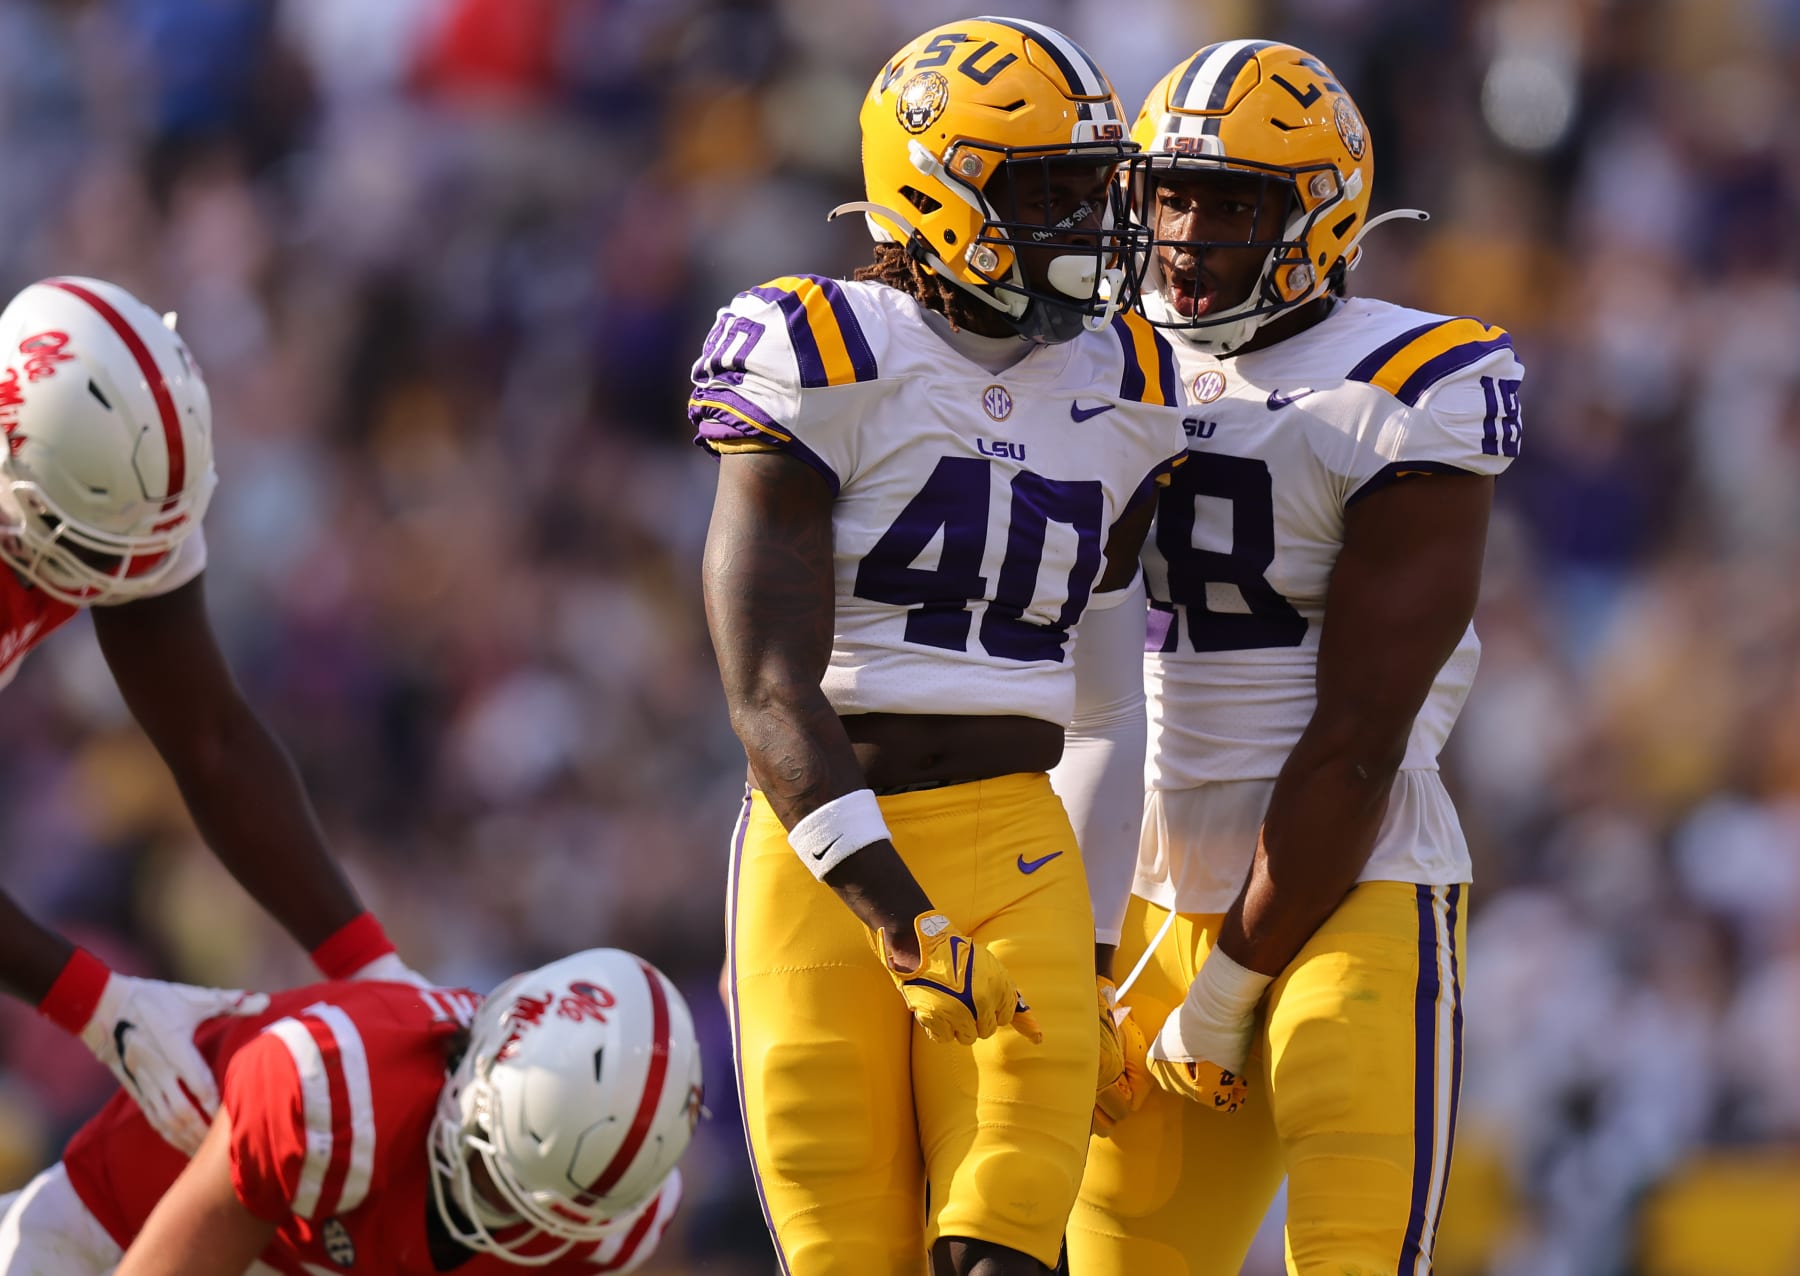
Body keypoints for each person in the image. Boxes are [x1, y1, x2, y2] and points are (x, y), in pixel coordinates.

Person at [691, 17, 1189, 1276]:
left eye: (1096, 187)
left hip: (1017, 851)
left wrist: (1087, 961)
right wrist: (903, 925)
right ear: (938, 190)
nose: (1089, 222)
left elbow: (1106, 710)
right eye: (1050, 191)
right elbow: (764, 691)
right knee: (850, 1256)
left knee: (1005, 1252)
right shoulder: (823, 350)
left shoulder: (1126, 382)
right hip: (822, 867)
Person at [1054, 41, 1523, 1275]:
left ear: (1320, 213)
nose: (1191, 232)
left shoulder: (1406, 382)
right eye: (1171, 193)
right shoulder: (1092, 366)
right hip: (1145, 880)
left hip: (1348, 880)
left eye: (1236, 201)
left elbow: (1361, 742)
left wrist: (1225, 992)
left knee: (1357, 1253)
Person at [0, 276, 418, 1155]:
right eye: (98, 550)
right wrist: (97, 1003)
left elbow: (210, 738)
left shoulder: (104, 491)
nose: (127, 577)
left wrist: (372, 971)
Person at [0, 947, 701, 1275]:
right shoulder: (336, 1090)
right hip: (114, 1231)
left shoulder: (609, 1219)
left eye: (525, 1203)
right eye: (490, 1168)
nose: (491, 1214)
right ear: (478, 1054)